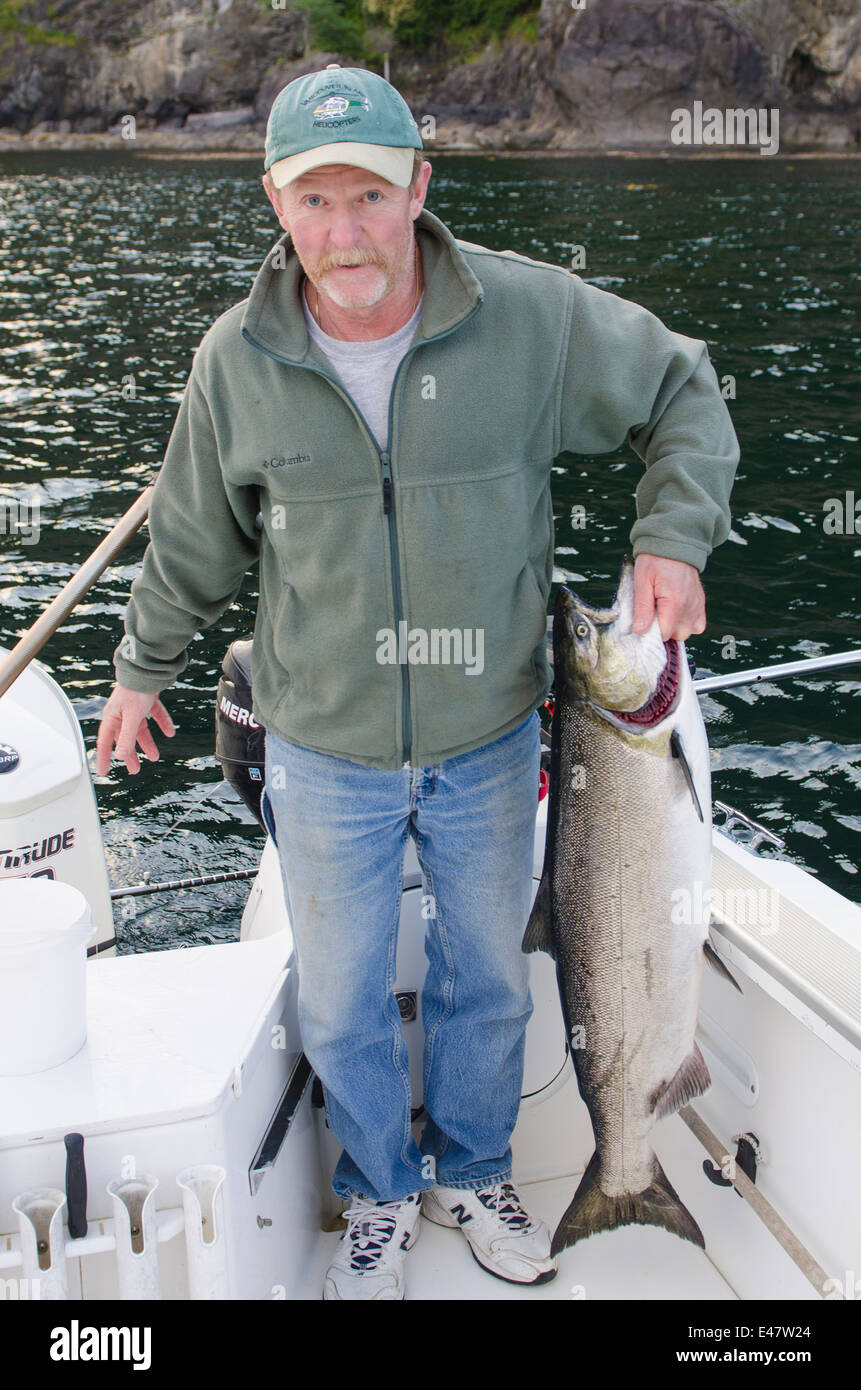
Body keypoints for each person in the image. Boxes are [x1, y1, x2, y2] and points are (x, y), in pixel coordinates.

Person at [96, 63, 739, 1300]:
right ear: (276, 201)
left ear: (419, 191)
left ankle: (479, 1169)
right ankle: (382, 1190)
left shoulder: (532, 319)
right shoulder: (235, 362)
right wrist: (138, 673)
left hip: (493, 730)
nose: (347, 232)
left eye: (372, 198)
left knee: (489, 976)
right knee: (337, 999)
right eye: (316, 199)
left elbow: (683, 388)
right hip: (320, 741)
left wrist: (673, 534)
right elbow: (188, 542)